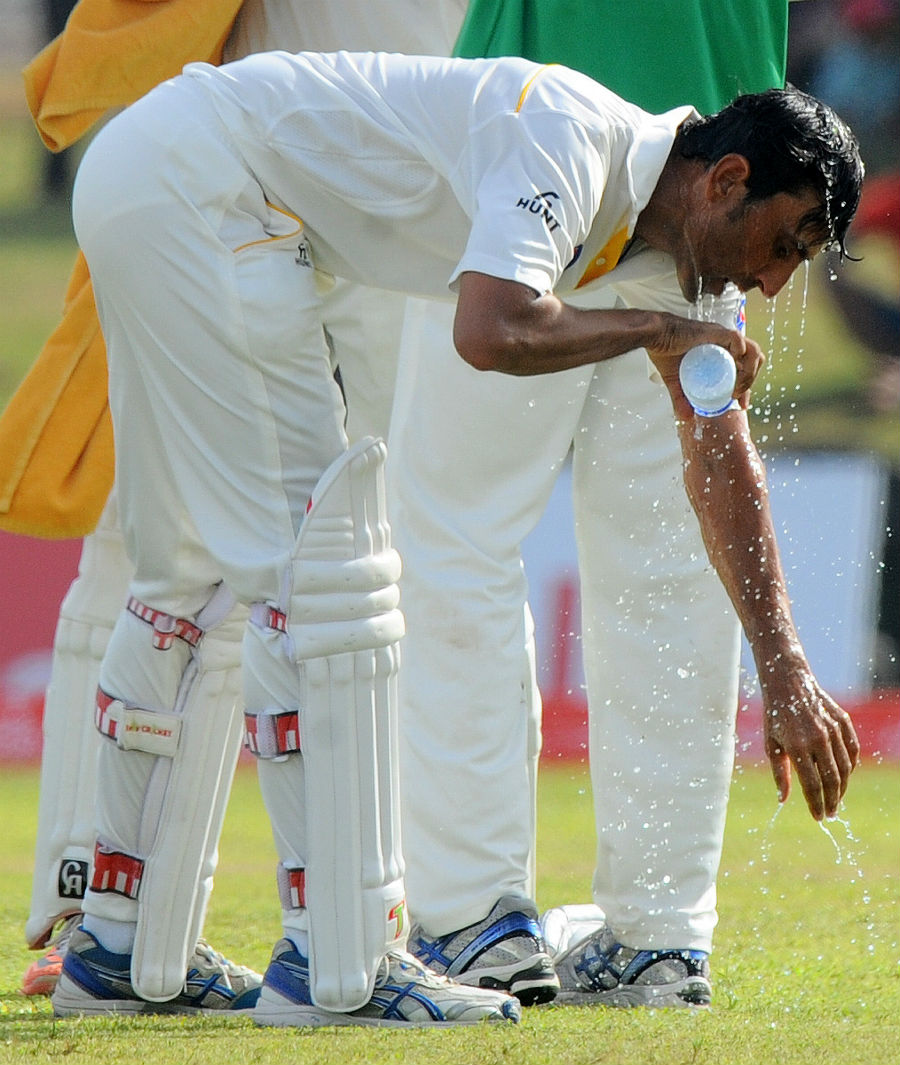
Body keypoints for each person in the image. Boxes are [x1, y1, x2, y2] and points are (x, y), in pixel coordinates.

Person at [49, 49, 860, 1027]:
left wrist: (784, 671)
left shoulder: (684, 260)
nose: (773, 283)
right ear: (726, 180)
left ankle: (119, 946)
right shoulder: (568, 136)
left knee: (189, 568)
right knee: (329, 568)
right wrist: (653, 333)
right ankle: (340, 968)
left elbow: (721, 464)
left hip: (160, 173)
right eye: (787, 242)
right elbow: (491, 328)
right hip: (206, 189)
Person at [395, 0, 793, 1009]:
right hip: (710, 170)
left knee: (455, 544)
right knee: (671, 578)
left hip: (533, 157)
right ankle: (660, 939)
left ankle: (476, 924)